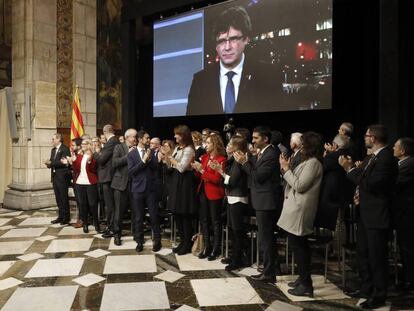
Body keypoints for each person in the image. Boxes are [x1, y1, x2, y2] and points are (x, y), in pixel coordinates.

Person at [339, 124, 398, 309]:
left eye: (366, 135)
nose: (364, 138)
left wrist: (349, 169)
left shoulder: (387, 158)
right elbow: (363, 182)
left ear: (373, 138)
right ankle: (366, 289)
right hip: (364, 213)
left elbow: (372, 183)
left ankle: (379, 294)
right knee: (363, 254)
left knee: (377, 257)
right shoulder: (371, 157)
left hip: (377, 215)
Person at [186, 6, 282, 115]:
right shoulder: (200, 80)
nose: (227, 47)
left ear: (246, 39)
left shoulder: (269, 75)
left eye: (233, 39)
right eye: (221, 41)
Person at [234, 126, 282, 284]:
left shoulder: (271, 153)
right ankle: (272, 269)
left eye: (255, 138)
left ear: (265, 139)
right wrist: (249, 159)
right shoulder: (262, 153)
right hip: (261, 200)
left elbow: (259, 176)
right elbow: (254, 169)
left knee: (266, 238)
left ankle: (269, 273)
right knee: (266, 238)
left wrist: (244, 163)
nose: (252, 141)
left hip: (267, 201)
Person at [278, 131, 324, 297]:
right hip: (296, 208)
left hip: (300, 209)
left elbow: (300, 185)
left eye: (303, 143)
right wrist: (287, 169)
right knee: (298, 246)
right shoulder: (308, 162)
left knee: (300, 247)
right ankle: (302, 279)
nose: (301, 146)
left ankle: (306, 284)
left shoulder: (313, 163)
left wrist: (286, 169)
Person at [211, 135, 249, 271]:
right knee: (232, 230)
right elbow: (226, 182)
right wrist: (222, 173)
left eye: (230, 144)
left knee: (237, 231)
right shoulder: (232, 160)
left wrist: (220, 172)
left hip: (238, 199)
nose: (228, 145)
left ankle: (238, 259)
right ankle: (234, 256)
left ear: (236, 146)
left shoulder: (239, 160)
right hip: (231, 197)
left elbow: (231, 181)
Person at [192, 134, 226, 261]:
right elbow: (200, 176)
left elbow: (217, 179)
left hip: (214, 193)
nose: (206, 145)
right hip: (202, 192)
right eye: (205, 142)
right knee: (204, 221)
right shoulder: (205, 157)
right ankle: (207, 246)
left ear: (215, 144)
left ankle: (215, 249)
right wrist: (196, 169)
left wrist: (202, 171)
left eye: (208, 142)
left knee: (215, 221)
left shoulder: (221, 159)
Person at [128, 130, 161, 252]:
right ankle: (139, 241)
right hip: (137, 189)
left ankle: (157, 240)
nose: (149, 140)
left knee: (154, 216)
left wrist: (150, 158)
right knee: (138, 217)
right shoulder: (131, 154)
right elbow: (131, 172)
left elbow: (156, 168)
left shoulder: (151, 152)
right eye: (147, 138)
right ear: (140, 139)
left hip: (151, 189)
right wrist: (143, 161)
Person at [167, 125, 196, 255]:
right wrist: (167, 159)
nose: (175, 137)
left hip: (185, 183)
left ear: (183, 135)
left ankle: (187, 243)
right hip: (176, 182)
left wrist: (172, 160)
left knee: (184, 214)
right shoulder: (178, 148)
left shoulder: (189, 149)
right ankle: (182, 241)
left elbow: (182, 168)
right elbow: (171, 165)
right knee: (176, 213)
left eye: (177, 135)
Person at [63, 139, 100, 233]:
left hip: (90, 182)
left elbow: (94, 170)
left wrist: (90, 161)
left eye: (84, 144)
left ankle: (96, 222)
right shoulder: (79, 155)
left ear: (89, 145)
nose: (82, 145)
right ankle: (85, 224)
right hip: (79, 182)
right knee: (82, 204)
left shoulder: (93, 155)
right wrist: (73, 161)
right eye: (82, 144)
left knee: (92, 204)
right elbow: (76, 169)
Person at [392, 137, 414, 290]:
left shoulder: (409, 165)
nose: (393, 148)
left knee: (407, 246)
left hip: (408, 213)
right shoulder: (402, 164)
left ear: (403, 151)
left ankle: (410, 280)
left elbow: (395, 183)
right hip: (402, 212)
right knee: (404, 245)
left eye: (395, 146)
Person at [111, 128, 137, 246]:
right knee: (119, 212)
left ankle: (137, 235)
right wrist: (129, 155)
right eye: (134, 137)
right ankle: (117, 235)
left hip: (134, 185)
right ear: (127, 137)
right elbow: (115, 163)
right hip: (120, 185)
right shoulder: (119, 147)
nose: (135, 139)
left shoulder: (137, 148)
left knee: (136, 211)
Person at [94, 124, 120, 238]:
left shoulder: (111, 142)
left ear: (105, 132)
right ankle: (111, 226)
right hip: (109, 177)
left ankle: (112, 228)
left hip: (108, 177)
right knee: (110, 205)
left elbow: (101, 160)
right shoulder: (114, 141)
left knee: (110, 205)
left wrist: (96, 152)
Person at [44, 133, 71, 225]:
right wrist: (48, 164)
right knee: (58, 198)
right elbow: (54, 163)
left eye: (53, 139)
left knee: (63, 197)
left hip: (62, 177)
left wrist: (51, 163)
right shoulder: (53, 150)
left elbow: (63, 162)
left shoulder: (65, 149)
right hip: (55, 177)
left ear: (58, 139)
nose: (52, 141)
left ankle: (66, 217)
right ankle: (60, 216)